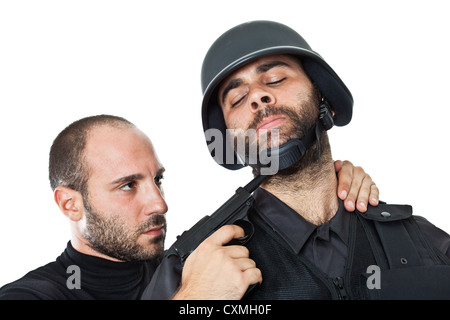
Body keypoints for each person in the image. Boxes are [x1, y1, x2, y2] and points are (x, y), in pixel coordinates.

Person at [195, 20, 450, 299]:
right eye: (238, 98)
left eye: (276, 79)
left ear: (323, 97)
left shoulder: (426, 243)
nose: (256, 95)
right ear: (229, 136)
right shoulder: (197, 271)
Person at [0, 114, 376, 300]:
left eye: (157, 180)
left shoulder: (187, 265)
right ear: (70, 204)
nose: (159, 203)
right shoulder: (30, 296)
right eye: (128, 186)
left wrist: (325, 188)